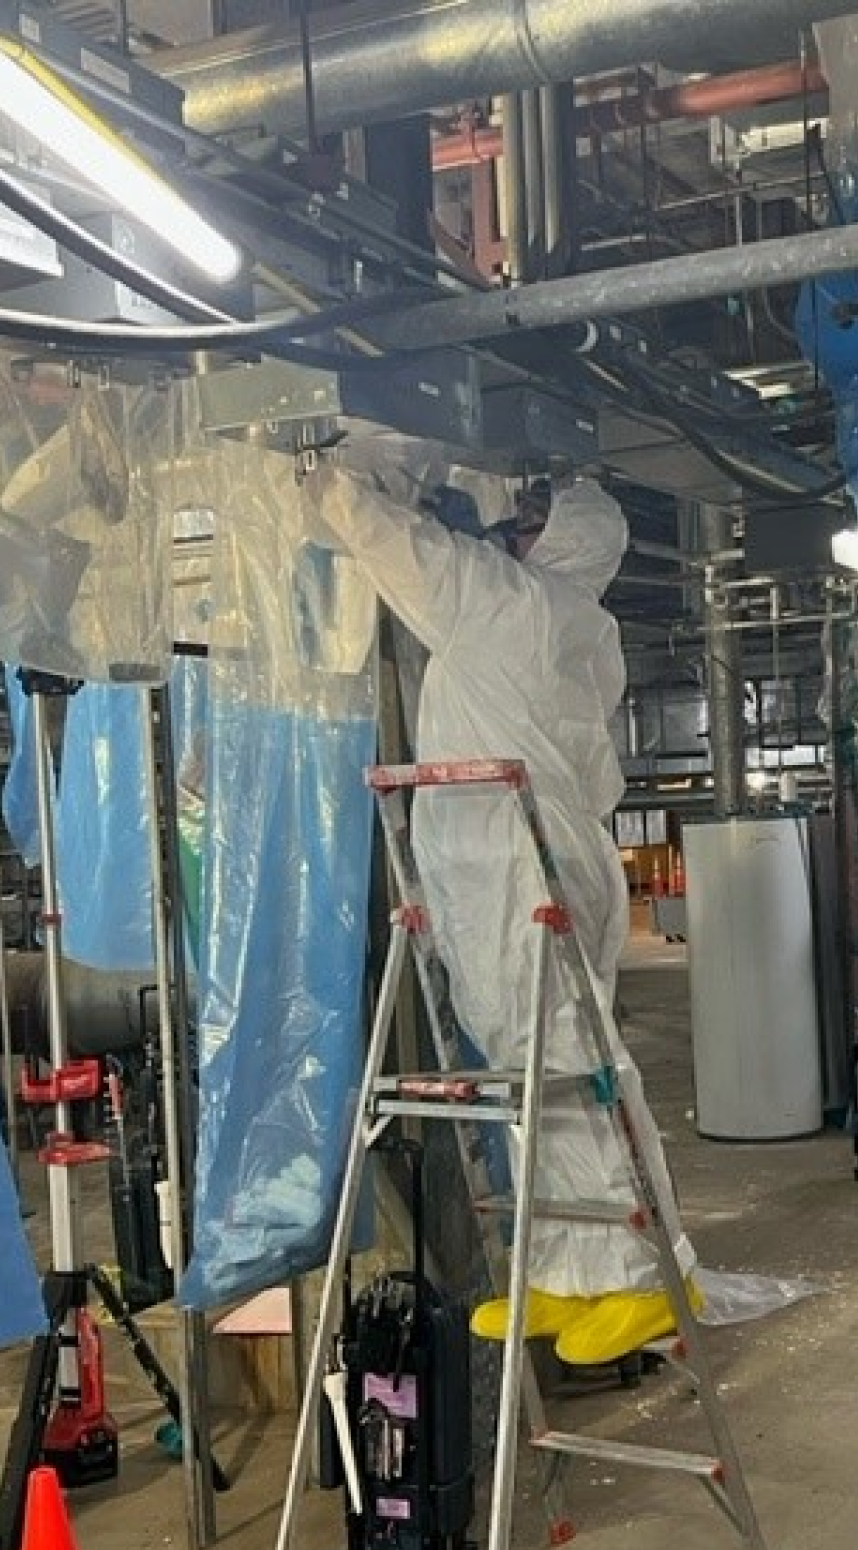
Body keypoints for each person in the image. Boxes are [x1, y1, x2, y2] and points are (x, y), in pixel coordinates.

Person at [298, 462, 698, 1366]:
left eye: (531, 522)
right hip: (534, 860)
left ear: (564, 544)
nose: (510, 534)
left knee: (564, 1067)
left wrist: (329, 483)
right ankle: (567, 1268)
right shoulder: (579, 622)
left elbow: (409, 552)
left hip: (523, 868)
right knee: (540, 1078)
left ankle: (643, 1276)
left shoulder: (511, 601)